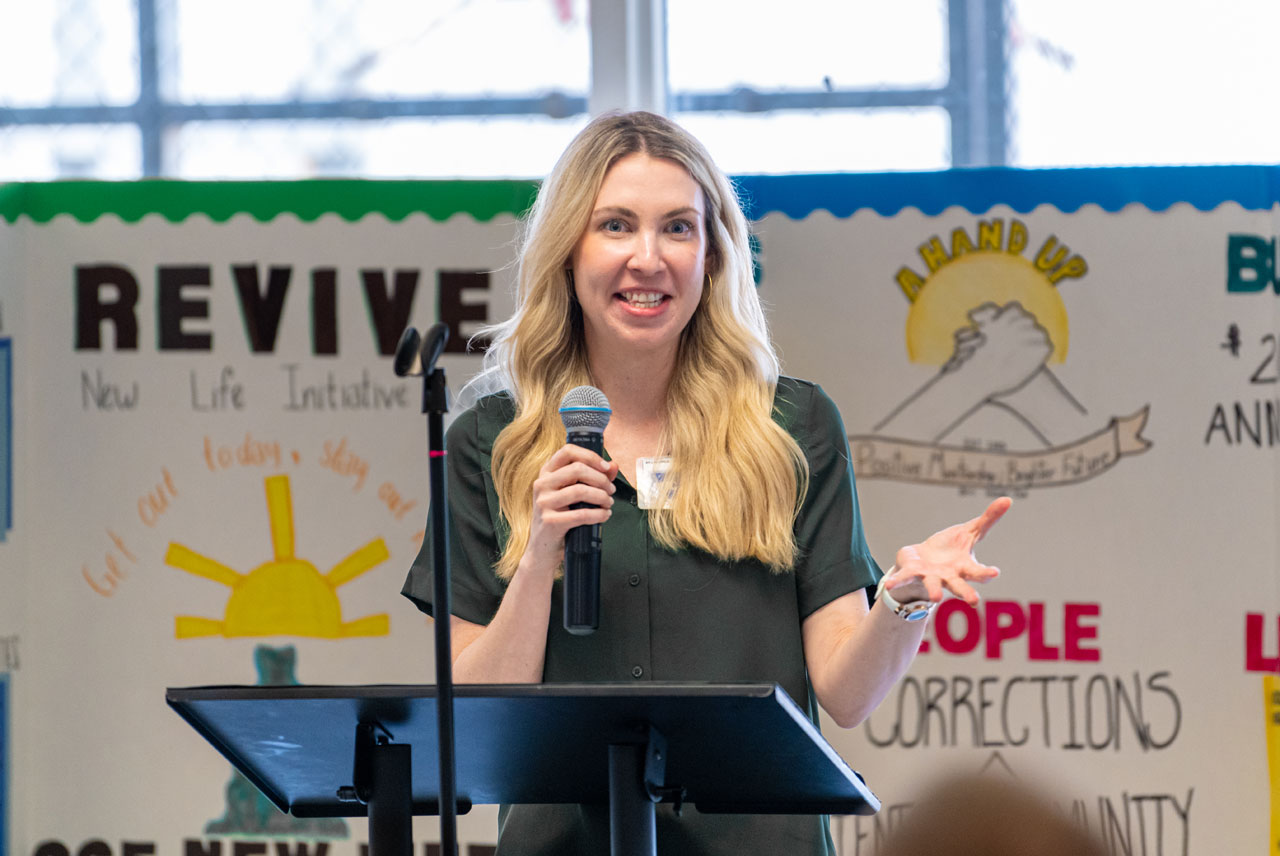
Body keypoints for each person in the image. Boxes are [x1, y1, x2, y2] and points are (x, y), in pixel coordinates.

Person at [402, 110, 1011, 855]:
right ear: (568, 250)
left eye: (679, 229)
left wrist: (903, 598)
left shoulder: (793, 425)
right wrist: (539, 560)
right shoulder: (490, 441)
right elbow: (476, 711)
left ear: (714, 258)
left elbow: (847, 694)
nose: (648, 258)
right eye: (616, 226)